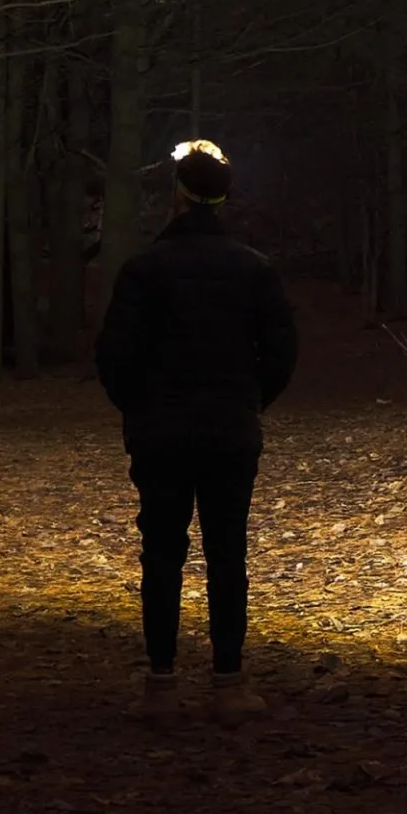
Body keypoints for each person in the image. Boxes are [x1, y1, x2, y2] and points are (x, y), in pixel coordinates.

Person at [95, 138, 298, 726]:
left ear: (177, 198)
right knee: (226, 551)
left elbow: (114, 354)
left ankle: (161, 683)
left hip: (160, 428)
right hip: (230, 426)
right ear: (223, 198)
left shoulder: (142, 270)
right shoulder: (254, 269)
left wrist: (136, 408)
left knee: (161, 551)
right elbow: (282, 350)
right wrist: (250, 400)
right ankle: (228, 680)